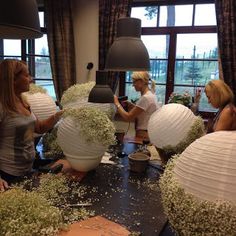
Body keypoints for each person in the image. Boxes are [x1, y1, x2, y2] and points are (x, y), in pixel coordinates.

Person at [0, 59, 63, 190]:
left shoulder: (23, 101)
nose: (31, 78)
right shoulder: (2, 107)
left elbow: (39, 128)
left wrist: (57, 116)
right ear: (13, 79)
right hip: (7, 175)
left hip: (26, 169)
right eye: (27, 75)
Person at [114, 71, 159, 140]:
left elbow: (128, 117)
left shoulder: (145, 98)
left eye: (134, 82)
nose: (133, 85)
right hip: (148, 133)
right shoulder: (151, 95)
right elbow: (145, 112)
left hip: (143, 134)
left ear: (142, 82)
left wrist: (117, 103)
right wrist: (134, 106)